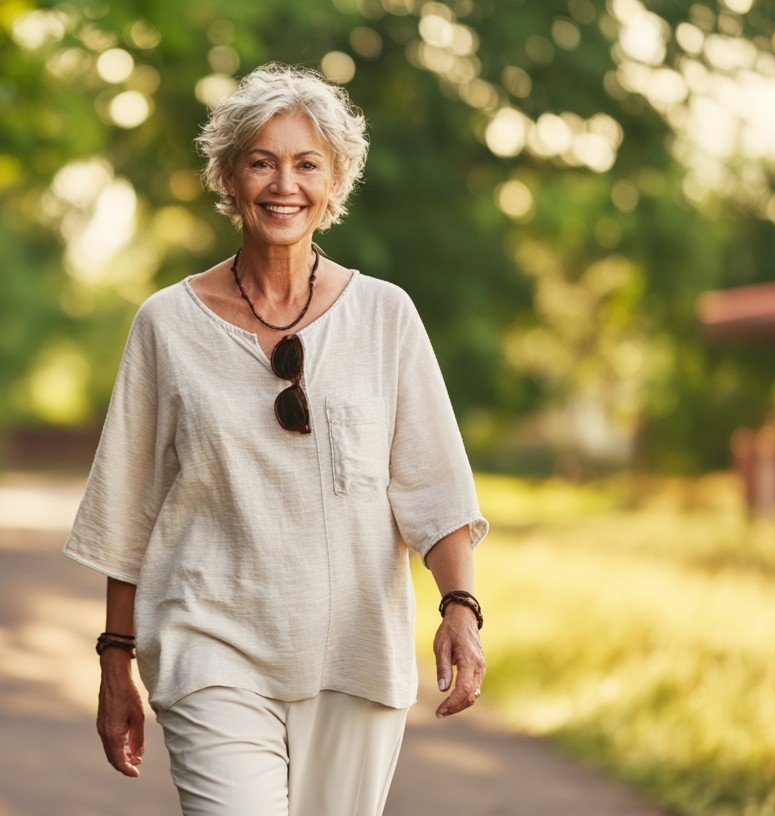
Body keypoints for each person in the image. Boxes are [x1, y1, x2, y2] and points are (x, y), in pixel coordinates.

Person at [61, 62, 489, 816]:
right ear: (229, 177)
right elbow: (124, 510)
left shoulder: (386, 318)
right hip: (209, 649)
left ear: (335, 181)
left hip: (354, 659)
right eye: (260, 161)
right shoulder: (165, 324)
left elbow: (432, 485)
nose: (282, 184)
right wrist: (114, 661)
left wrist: (460, 606)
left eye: (305, 164)